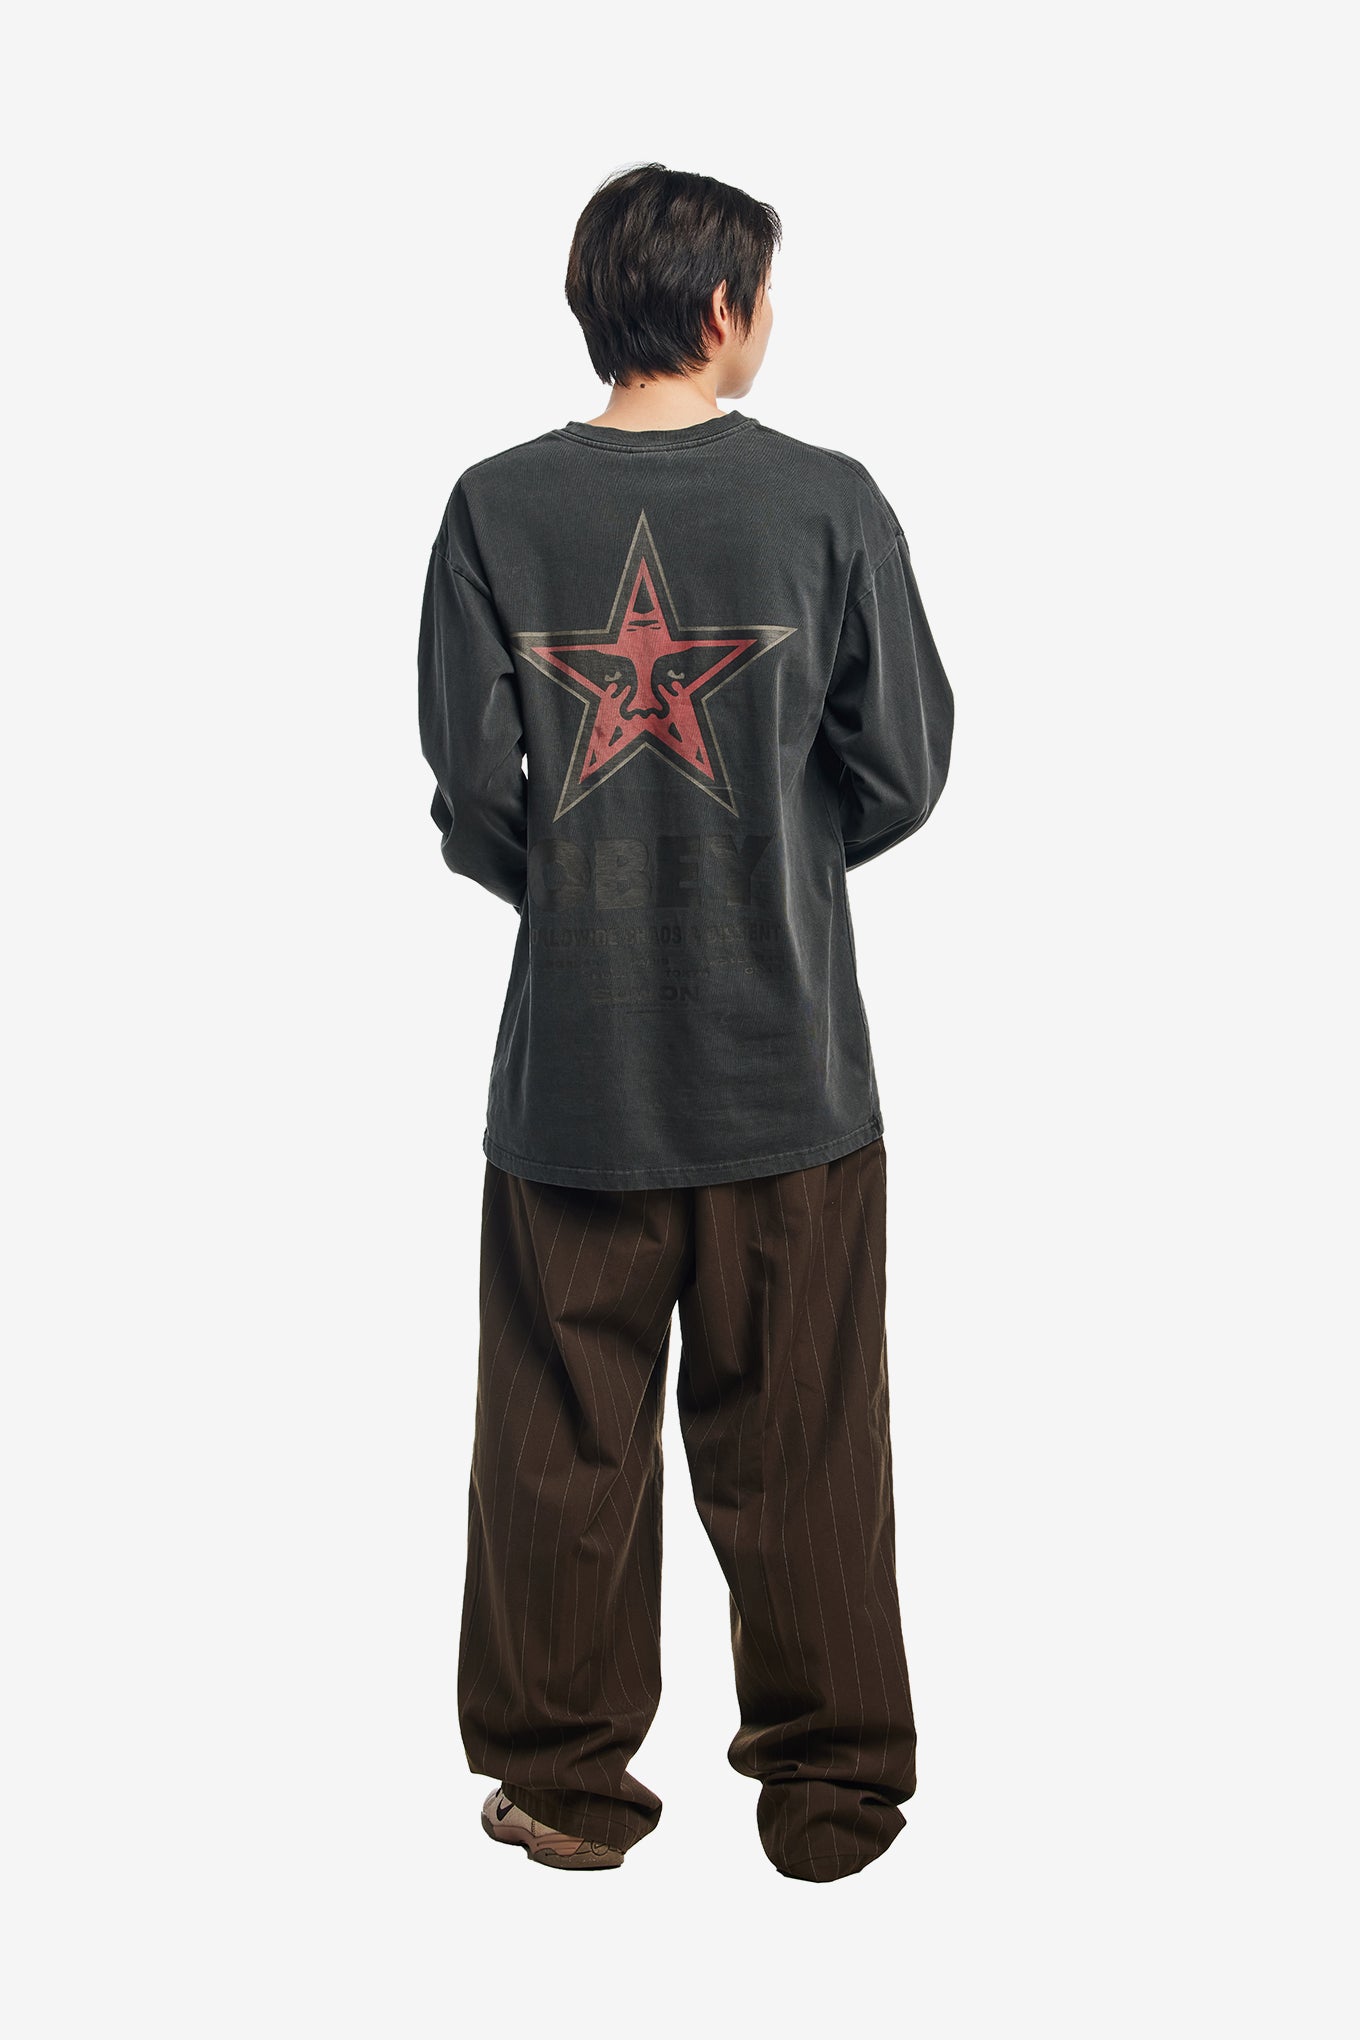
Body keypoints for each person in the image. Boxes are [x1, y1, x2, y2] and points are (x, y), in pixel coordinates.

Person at [417, 162, 955, 1881]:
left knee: (556, 1445)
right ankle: (834, 1789)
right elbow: (905, 766)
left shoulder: (495, 507)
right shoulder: (831, 502)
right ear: (723, 307)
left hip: (574, 1080)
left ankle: (565, 1787)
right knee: (806, 1438)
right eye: (763, 294)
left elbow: (472, 798)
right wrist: (765, 856)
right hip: (790, 1071)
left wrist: (591, 884)